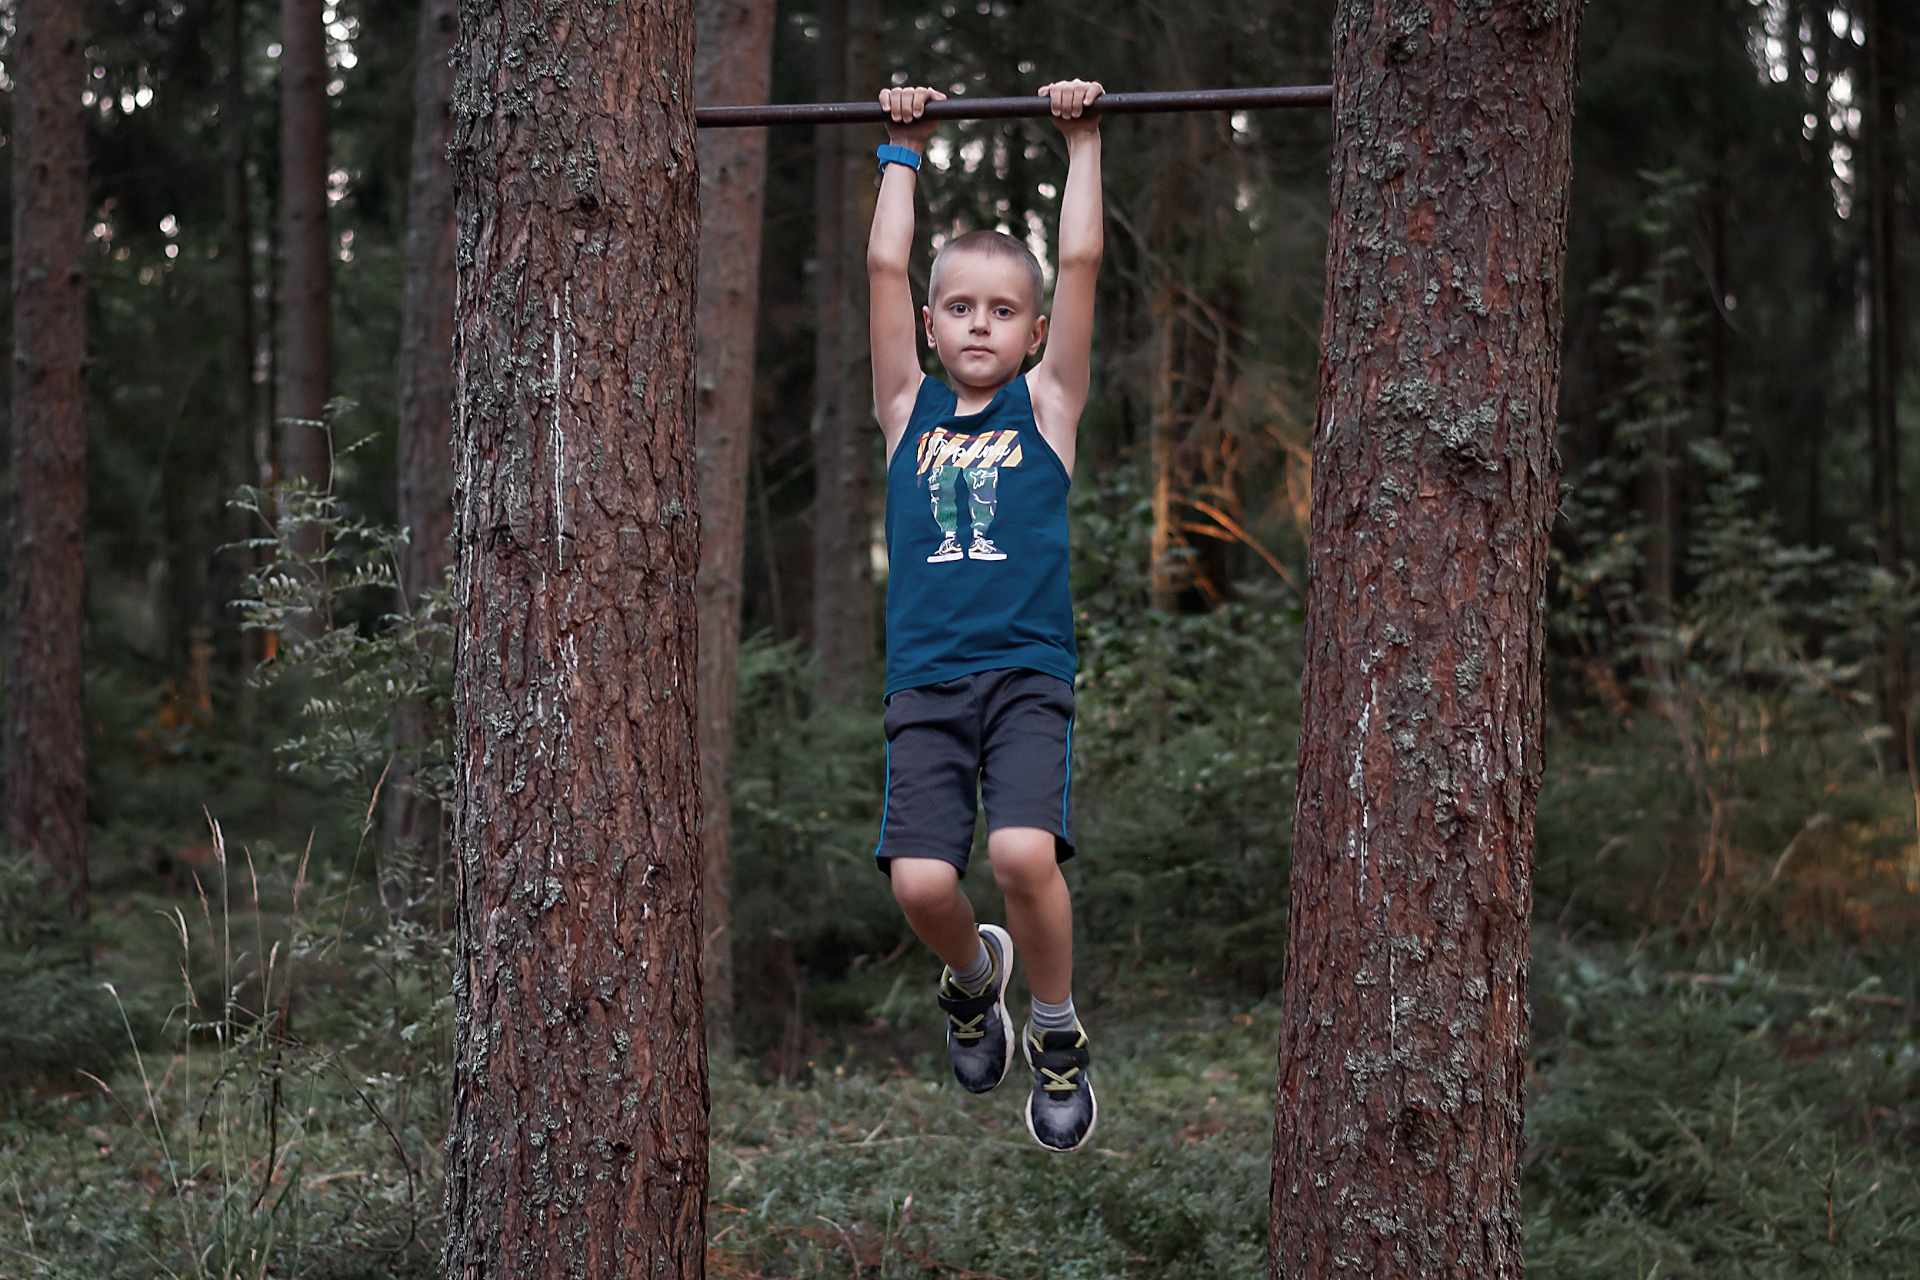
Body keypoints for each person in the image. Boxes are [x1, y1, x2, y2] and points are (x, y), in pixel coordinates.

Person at [866, 78, 1104, 1154]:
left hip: (1021, 677)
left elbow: (1086, 261)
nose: (979, 323)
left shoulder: (1047, 407)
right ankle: (976, 978)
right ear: (930, 321)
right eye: (959, 305)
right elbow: (883, 262)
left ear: (1034, 331)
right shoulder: (904, 407)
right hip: (924, 681)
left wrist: (1082, 140)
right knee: (921, 881)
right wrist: (902, 148)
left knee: (1018, 851)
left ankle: (1053, 1028)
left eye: (1003, 310)